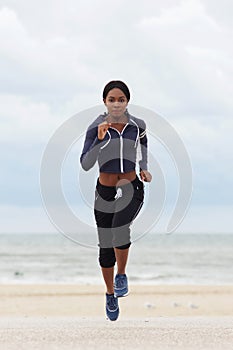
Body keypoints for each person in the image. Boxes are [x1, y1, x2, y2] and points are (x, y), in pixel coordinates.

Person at [80, 80, 152, 321]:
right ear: (104, 102)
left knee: (119, 229)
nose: (117, 103)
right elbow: (86, 164)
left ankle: (121, 274)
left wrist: (144, 168)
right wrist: (99, 139)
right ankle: (110, 294)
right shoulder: (95, 127)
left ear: (127, 101)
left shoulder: (137, 125)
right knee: (105, 246)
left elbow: (143, 143)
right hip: (105, 191)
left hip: (131, 187)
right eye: (112, 99)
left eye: (121, 99)